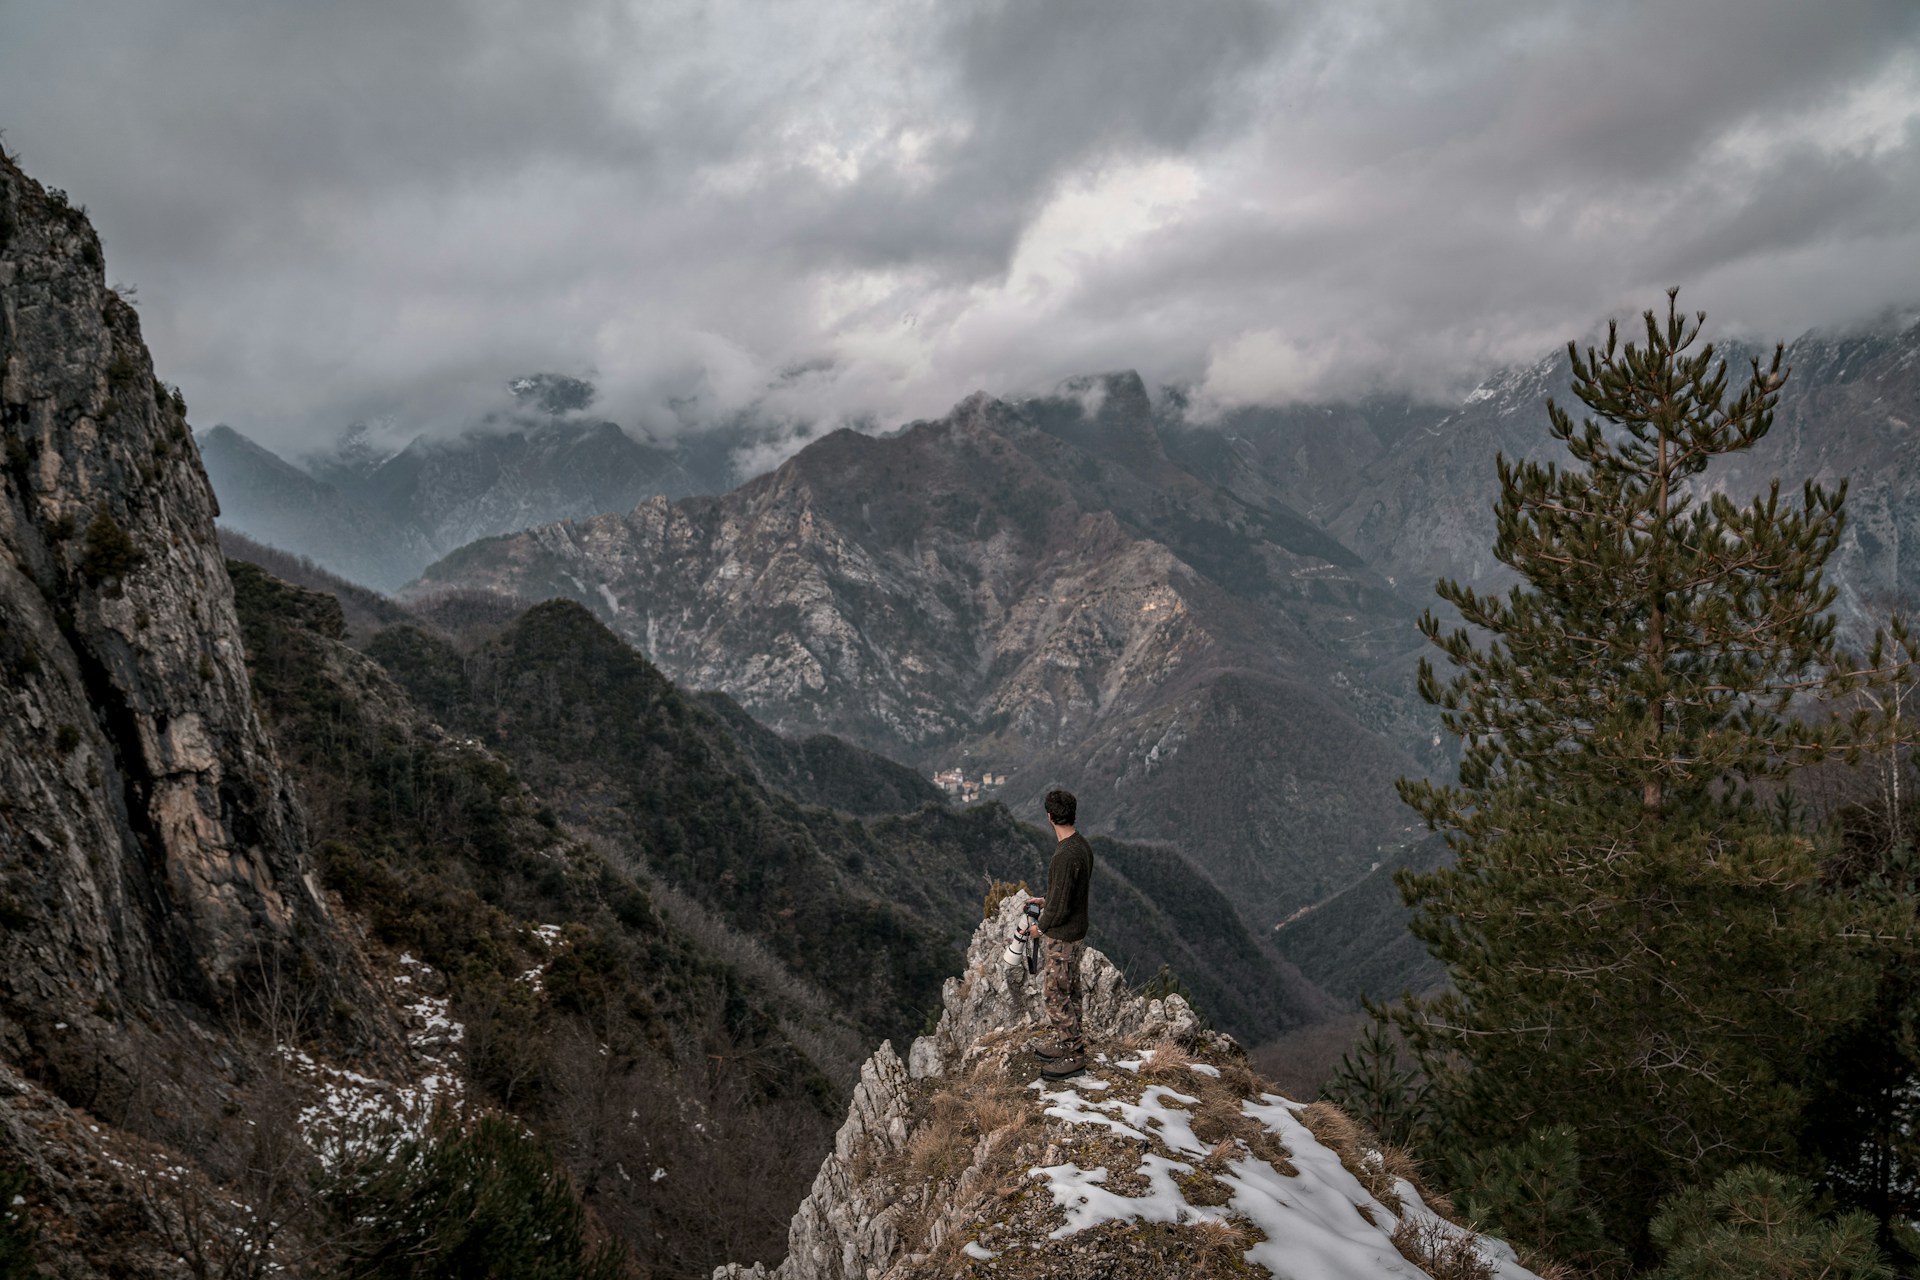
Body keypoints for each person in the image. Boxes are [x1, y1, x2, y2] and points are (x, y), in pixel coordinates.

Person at [1028, 787, 1093, 1080]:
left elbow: (1062, 904)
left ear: (1050, 817)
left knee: (1054, 995)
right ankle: (1068, 1042)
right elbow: (1068, 893)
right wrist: (1047, 899)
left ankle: (1074, 1054)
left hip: (1063, 936)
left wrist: (1039, 927)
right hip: (1077, 931)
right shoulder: (1081, 846)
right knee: (1071, 991)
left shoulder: (1064, 855)